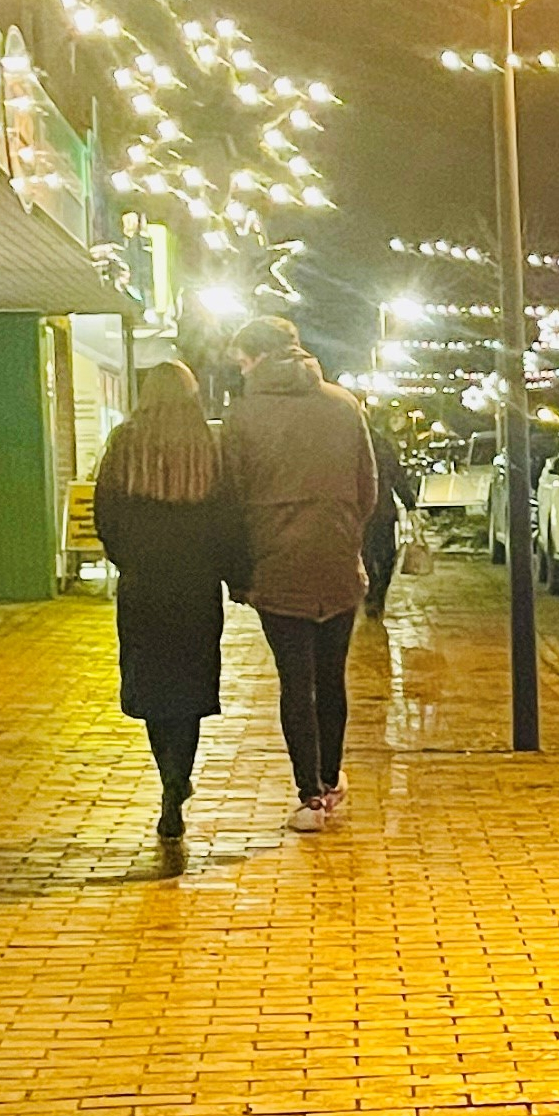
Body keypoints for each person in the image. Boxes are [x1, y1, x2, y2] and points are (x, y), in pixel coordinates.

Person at [220, 314, 380, 832]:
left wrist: (240, 566)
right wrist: (344, 531)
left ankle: (309, 796)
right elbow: (367, 487)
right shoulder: (344, 405)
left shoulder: (242, 416)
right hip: (337, 561)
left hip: (276, 565)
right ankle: (331, 780)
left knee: (296, 680)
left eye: (243, 360)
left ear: (259, 357)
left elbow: (231, 496)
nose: (241, 370)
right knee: (332, 677)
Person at [91, 362, 245, 842]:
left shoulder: (124, 442)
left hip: (144, 587)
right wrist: (229, 571)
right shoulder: (208, 443)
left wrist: (127, 560)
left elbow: (105, 514)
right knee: (191, 688)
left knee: (154, 687)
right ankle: (179, 775)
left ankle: (168, 779)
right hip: (196, 589)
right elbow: (230, 517)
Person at [362, 417, 418, 618]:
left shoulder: (348, 446)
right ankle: (377, 594)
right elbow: (398, 476)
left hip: (362, 513)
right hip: (383, 511)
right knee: (386, 556)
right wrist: (409, 504)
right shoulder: (383, 445)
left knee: (366, 555)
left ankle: (372, 594)